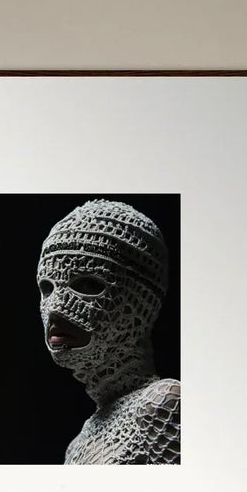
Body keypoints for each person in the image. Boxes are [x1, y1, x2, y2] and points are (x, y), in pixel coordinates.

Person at [36, 199, 181, 465]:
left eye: (88, 284)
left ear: (140, 300)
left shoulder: (165, 404)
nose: (55, 309)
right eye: (47, 288)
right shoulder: (78, 444)